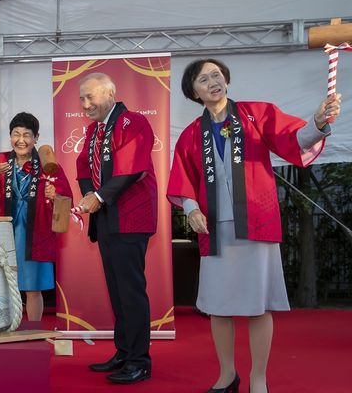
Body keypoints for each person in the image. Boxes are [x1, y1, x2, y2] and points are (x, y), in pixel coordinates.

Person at [168, 58, 342, 393]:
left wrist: (317, 122)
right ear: (194, 92)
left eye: (217, 75)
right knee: (218, 307)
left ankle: (258, 378)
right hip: (215, 229)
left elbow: (294, 139)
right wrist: (190, 209)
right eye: (203, 79)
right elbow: (182, 180)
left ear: (227, 81)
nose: (213, 82)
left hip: (256, 222)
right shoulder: (191, 135)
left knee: (258, 305)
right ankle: (227, 374)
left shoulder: (255, 114)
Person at [74, 73, 157, 384]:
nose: (85, 104)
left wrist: (97, 196)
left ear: (109, 94)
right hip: (107, 218)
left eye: (90, 97)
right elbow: (84, 165)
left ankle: (140, 360)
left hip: (131, 218)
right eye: (81, 99)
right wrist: (88, 195)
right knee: (118, 291)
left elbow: (133, 169)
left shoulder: (132, 122)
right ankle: (124, 352)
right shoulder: (94, 130)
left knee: (131, 291)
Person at [0, 112, 73, 321]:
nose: (21, 140)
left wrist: (55, 195)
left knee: (33, 289)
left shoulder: (48, 165)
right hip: (5, 232)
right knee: (2, 287)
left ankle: (34, 332)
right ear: (10, 136)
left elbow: (65, 202)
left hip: (35, 233)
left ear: (36, 138)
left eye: (27, 135)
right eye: (16, 134)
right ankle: (3, 328)